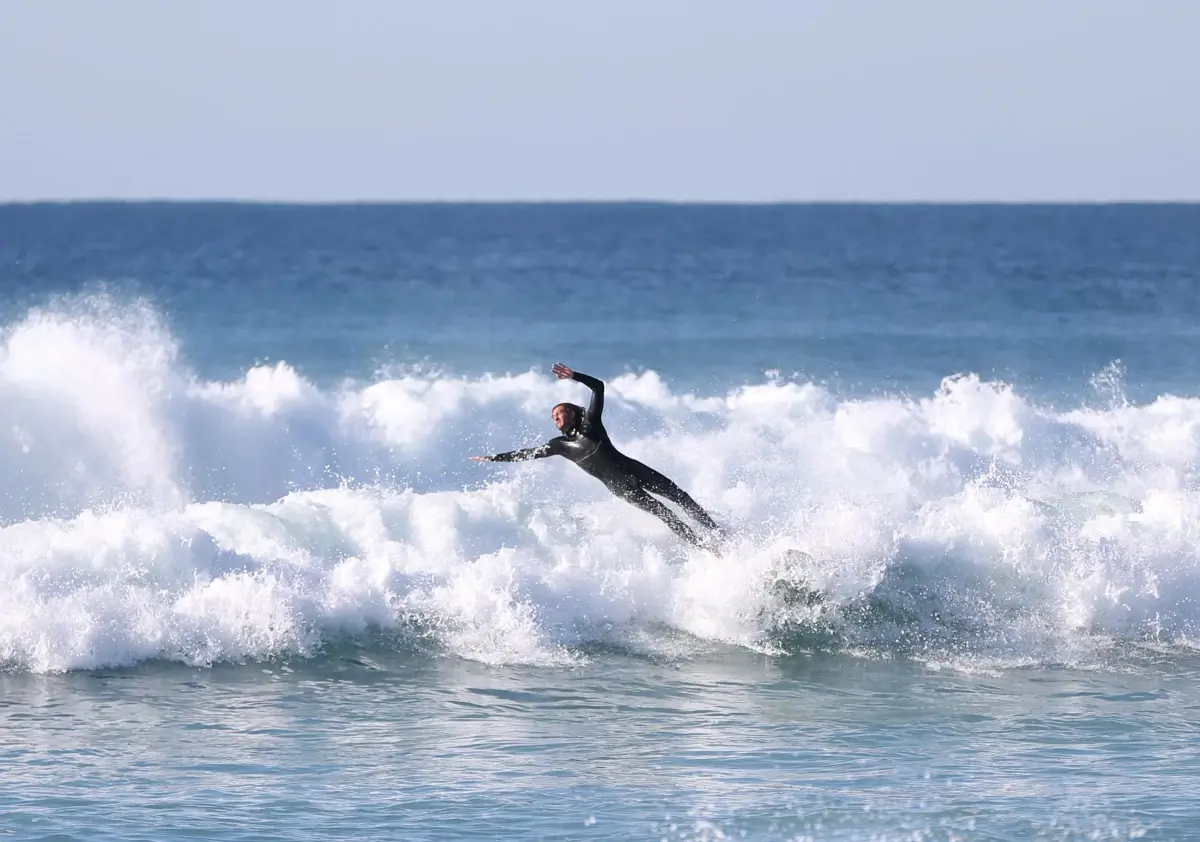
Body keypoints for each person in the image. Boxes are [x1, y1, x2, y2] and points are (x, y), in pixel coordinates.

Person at [471, 362, 722, 551]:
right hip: (620, 487)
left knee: (680, 496)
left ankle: (717, 533)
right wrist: (494, 458)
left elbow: (598, 386)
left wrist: (573, 376)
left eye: (559, 413)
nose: (555, 418)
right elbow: (528, 454)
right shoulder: (559, 445)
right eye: (553, 417)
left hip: (632, 468)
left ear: (572, 413)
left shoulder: (591, 425)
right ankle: (706, 548)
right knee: (665, 513)